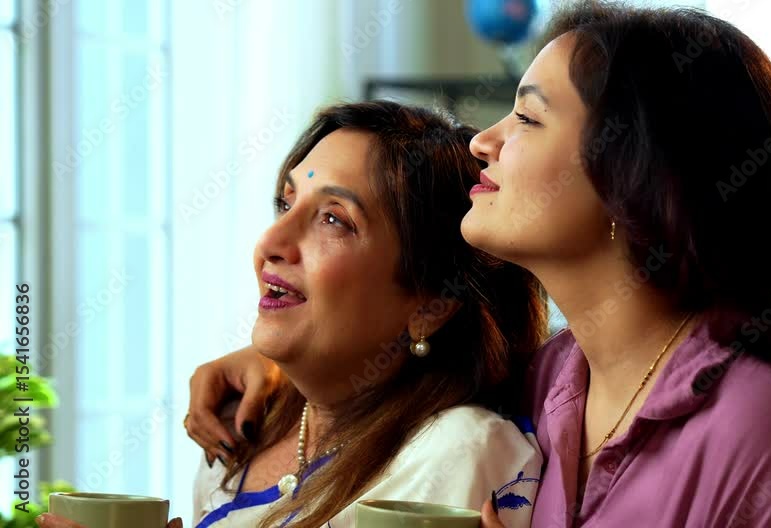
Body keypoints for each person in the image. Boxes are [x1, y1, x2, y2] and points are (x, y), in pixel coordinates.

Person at [185, 4, 771, 528]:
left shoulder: (769, 430)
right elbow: (422, 366)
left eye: (529, 118)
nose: (484, 140)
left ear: (633, 178)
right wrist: (272, 359)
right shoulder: (552, 384)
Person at [41, 101, 548, 528]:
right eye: (285, 205)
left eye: (333, 219)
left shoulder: (459, 453)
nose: (270, 244)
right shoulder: (241, 434)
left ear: (430, 307)